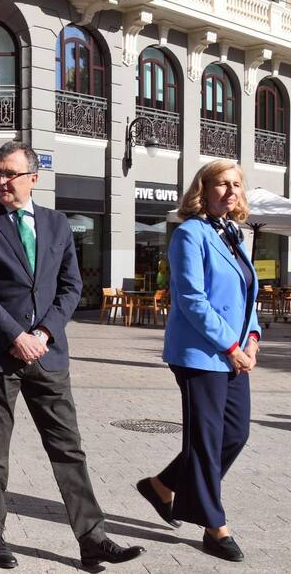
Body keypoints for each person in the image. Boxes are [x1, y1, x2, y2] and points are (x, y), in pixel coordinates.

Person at [0, 141, 145, 569]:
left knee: (68, 449)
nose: (2, 181)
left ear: (33, 179)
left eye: (11, 173)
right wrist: (15, 335)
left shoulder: (58, 224)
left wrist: (42, 332)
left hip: (48, 354)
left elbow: (71, 287)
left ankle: (92, 538)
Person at [135, 160, 259, 563]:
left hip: (235, 354)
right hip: (201, 355)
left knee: (235, 434)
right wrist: (231, 346)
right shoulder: (189, 234)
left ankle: (161, 486)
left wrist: (252, 337)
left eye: (237, 184)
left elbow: (246, 294)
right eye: (222, 183)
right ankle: (214, 526)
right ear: (202, 189)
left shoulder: (234, 235)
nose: (231, 191)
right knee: (206, 441)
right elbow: (191, 300)